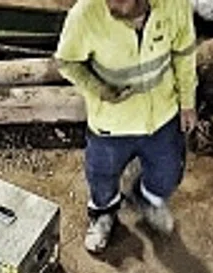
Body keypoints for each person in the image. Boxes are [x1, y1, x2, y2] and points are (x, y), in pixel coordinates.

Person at [55, 0, 198, 254]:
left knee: (167, 174)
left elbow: (184, 53)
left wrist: (188, 103)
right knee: (102, 175)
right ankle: (103, 213)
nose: (110, 6)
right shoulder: (85, 14)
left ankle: (148, 199)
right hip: (111, 125)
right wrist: (99, 88)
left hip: (162, 117)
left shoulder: (174, 5)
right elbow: (67, 62)